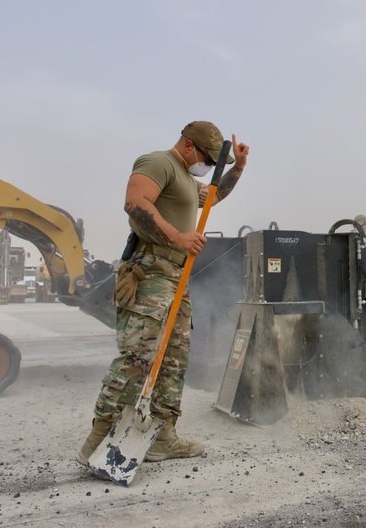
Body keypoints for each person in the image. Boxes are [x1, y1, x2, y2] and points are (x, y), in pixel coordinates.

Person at [77, 120, 249, 466]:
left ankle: (162, 436)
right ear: (188, 145)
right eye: (207, 159)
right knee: (138, 357)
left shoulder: (187, 177)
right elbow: (135, 203)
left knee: (174, 360)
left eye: (213, 163)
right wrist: (178, 237)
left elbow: (212, 197)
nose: (208, 166)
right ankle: (99, 439)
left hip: (176, 276)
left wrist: (238, 168)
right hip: (151, 271)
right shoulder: (158, 162)